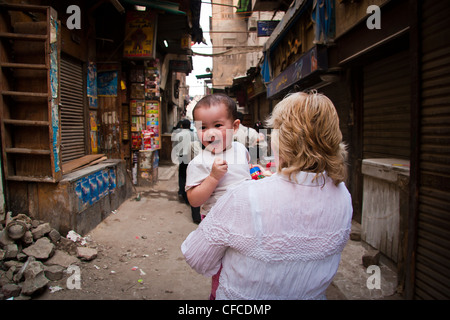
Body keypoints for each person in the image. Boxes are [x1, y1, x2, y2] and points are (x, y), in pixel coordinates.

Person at [181, 91, 353, 300]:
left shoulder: (244, 196)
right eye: (204, 127)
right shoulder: (343, 195)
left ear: (283, 138)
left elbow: (197, 257)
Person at [185, 93, 252, 299]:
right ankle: (219, 296)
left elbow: (245, 173)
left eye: (218, 125)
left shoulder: (241, 149)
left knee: (243, 265)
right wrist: (213, 178)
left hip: (245, 220)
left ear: (235, 126)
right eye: (203, 127)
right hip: (218, 223)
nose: (210, 133)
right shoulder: (199, 163)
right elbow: (194, 200)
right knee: (221, 269)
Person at [171, 119, 201, 223]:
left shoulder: (178, 134)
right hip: (191, 156)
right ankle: (187, 192)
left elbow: (174, 145)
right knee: (189, 174)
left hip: (182, 155)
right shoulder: (194, 134)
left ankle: (181, 191)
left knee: (182, 174)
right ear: (189, 126)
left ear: (182, 125)